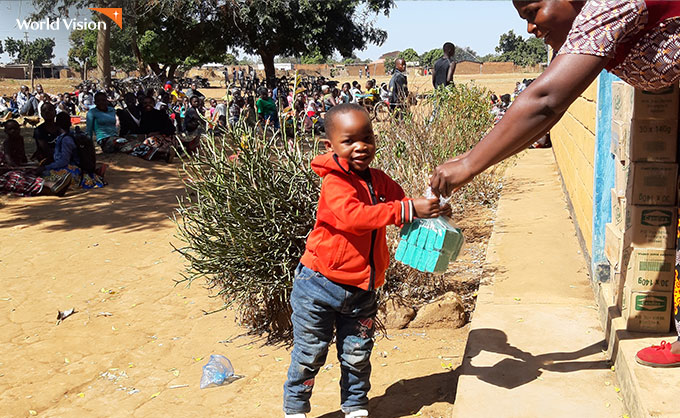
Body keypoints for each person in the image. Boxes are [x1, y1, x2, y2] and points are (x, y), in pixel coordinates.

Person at [428, 0, 680, 367]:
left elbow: (546, 100)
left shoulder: (610, 3)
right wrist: (472, 161)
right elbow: (548, 113)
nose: (530, 28)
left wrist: (468, 165)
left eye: (533, 11)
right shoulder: (593, 29)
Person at [282, 103, 449, 418]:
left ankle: (356, 406)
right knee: (310, 354)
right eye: (349, 141)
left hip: (363, 288)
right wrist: (409, 209)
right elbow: (353, 218)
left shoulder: (378, 179)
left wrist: (433, 210)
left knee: (357, 353)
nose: (361, 147)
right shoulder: (335, 183)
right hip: (319, 285)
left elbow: (402, 207)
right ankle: (295, 408)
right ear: (330, 146)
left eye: (367, 137)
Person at [0, 120, 72, 197]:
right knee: (18, 177)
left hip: (17, 167)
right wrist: (20, 167)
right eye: (10, 129)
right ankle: (51, 185)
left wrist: (28, 165)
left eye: (15, 128)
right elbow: (9, 163)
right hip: (8, 171)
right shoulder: (7, 143)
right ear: (5, 131)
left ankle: (55, 188)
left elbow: (23, 157)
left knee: (36, 169)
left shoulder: (20, 139)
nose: (13, 131)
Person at [42, 113, 105, 190]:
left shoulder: (65, 139)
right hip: (79, 169)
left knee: (44, 175)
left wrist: (47, 167)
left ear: (57, 124)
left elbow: (64, 161)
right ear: (70, 123)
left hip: (73, 171)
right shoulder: (71, 135)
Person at [129, 96, 177, 162]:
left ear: (154, 104)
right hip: (154, 141)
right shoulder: (142, 116)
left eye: (150, 103)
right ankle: (164, 154)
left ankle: (164, 152)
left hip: (164, 139)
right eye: (145, 103)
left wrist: (157, 133)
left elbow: (171, 129)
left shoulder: (161, 114)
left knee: (143, 147)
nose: (147, 105)